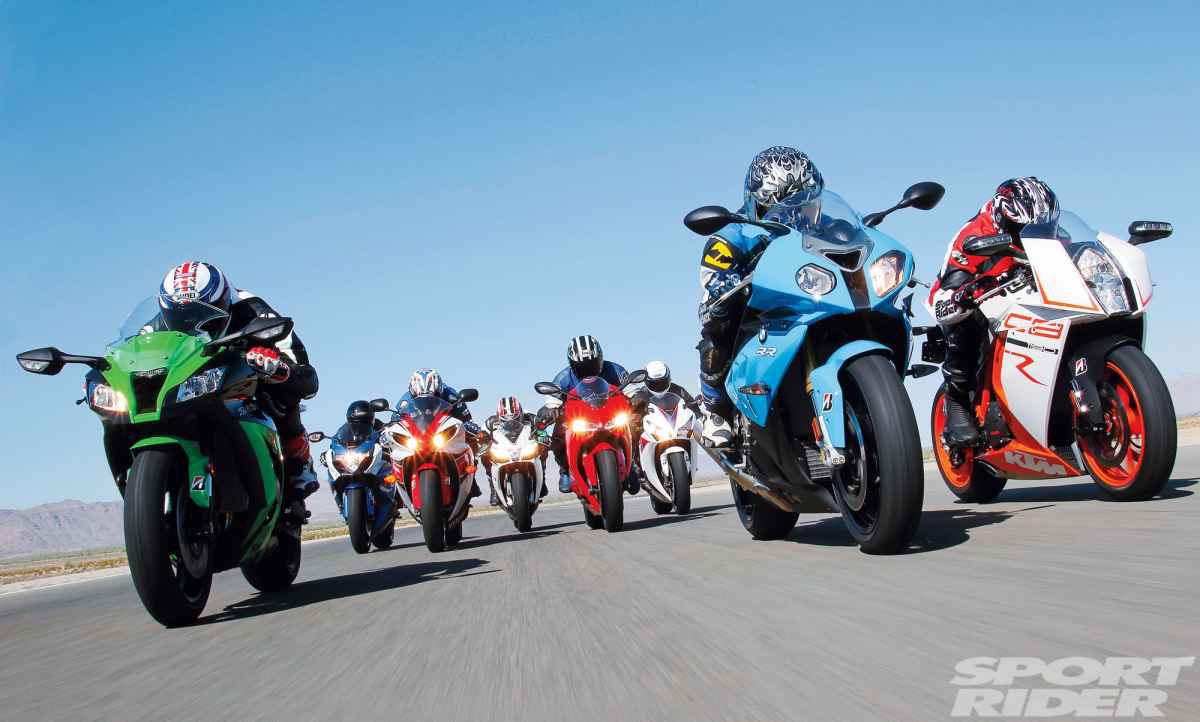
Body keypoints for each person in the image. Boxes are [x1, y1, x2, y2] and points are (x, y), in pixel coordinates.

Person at [158, 261, 319, 514]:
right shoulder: (158, 322)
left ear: (224, 300)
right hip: (187, 383)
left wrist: (279, 367)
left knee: (279, 388)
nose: (191, 324)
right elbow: (135, 347)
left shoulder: (251, 307)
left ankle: (297, 463)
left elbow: (304, 372)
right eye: (180, 317)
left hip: (240, 376)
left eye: (204, 317)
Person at [695, 146, 824, 447]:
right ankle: (714, 409)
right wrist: (722, 284)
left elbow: (854, 235)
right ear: (756, 204)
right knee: (716, 320)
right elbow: (712, 274)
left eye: (803, 206)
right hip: (761, 309)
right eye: (780, 208)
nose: (793, 216)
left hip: (816, 300)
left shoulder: (826, 224)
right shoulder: (733, 232)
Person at [928, 177, 1059, 446]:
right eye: (1020, 229)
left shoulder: (1049, 233)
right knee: (968, 321)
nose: (1029, 236)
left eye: (1042, 229)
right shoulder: (972, 235)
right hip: (965, 295)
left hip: (1023, 297)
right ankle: (957, 402)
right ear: (1002, 216)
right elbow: (947, 296)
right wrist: (965, 294)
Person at [548, 335, 634, 493]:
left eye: (592, 364)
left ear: (600, 358)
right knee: (558, 433)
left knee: (635, 421)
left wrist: (637, 397)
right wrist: (549, 410)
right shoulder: (563, 378)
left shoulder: (615, 369)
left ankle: (634, 462)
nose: (588, 370)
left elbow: (631, 388)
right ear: (572, 365)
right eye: (582, 367)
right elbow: (552, 400)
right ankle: (565, 470)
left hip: (611, 415)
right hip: (581, 418)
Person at [397, 368, 483, 496]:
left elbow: (465, 417)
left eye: (435, 395)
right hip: (418, 433)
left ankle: (470, 478)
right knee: (393, 450)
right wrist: (388, 429)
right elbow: (396, 418)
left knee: (470, 439)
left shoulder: (451, 394)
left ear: (440, 389)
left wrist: (470, 426)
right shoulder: (405, 400)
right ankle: (398, 490)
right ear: (412, 391)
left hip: (442, 431)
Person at [480, 396, 548, 506]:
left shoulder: (530, 417)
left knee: (543, 449)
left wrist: (543, 436)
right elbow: (482, 434)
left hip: (524, 447)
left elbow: (541, 428)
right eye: (505, 420)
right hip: (504, 448)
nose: (511, 423)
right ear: (499, 416)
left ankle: (542, 479)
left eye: (516, 418)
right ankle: (493, 489)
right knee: (485, 457)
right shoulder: (490, 422)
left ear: (520, 413)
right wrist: (483, 441)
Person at [627, 361, 698, 460]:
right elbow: (633, 414)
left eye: (662, 382)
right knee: (632, 434)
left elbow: (692, 405)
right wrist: (636, 422)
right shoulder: (641, 395)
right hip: (654, 431)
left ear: (668, 378)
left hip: (676, 430)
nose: (658, 386)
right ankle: (634, 459)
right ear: (646, 382)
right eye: (654, 384)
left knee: (699, 428)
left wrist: (697, 412)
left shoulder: (678, 390)